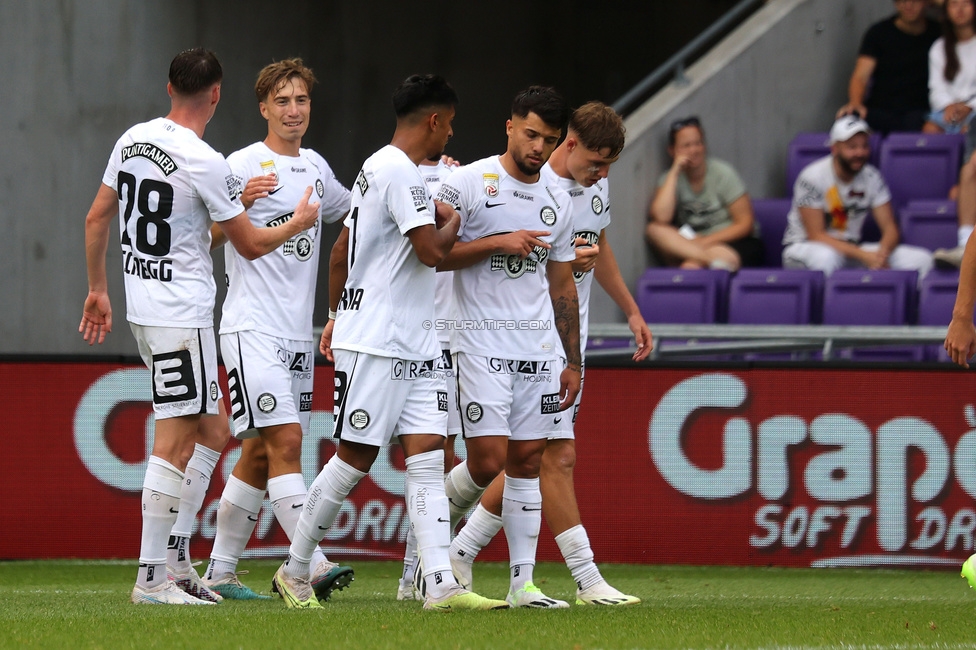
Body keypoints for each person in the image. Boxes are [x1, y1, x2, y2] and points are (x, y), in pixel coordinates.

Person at [80, 48, 320, 605]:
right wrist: (301, 221)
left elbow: (98, 216)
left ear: (169, 88)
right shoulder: (205, 159)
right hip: (180, 317)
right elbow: (253, 244)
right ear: (216, 94)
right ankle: (150, 579)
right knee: (174, 443)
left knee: (214, 431)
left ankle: (180, 563)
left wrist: (97, 290)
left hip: (145, 307)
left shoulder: (132, 139)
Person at [273, 74, 507, 612]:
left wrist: (334, 313)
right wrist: (454, 219)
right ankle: (295, 569)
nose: (450, 134)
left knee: (427, 458)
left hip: (417, 339)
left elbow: (341, 252)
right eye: (448, 124)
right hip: (377, 339)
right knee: (354, 457)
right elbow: (431, 252)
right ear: (433, 120)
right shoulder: (397, 171)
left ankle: (440, 585)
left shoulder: (379, 168)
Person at [446, 101, 652, 606]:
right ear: (570, 144)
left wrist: (628, 309)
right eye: (595, 163)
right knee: (532, 457)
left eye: (608, 168)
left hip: (556, 340)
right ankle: (581, 578)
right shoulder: (515, 185)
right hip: (498, 338)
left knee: (538, 456)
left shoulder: (589, 190)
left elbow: (594, 254)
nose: (601, 175)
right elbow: (458, 253)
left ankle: (469, 555)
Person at [199, 59, 354, 602]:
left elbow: (362, 212)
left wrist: (435, 180)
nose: (293, 111)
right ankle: (308, 565)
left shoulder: (315, 166)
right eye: (282, 102)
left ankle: (218, 572)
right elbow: (207, 237)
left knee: (262, 454)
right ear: (263, 107)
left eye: (301, 101)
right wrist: (239, 205)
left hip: (296, 335)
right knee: (287, 439)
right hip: (250, 328)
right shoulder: (239, 165)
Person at [433, 86, 581, 609]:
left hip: (538, 350)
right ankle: (431, 542)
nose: (539, 147)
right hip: (478, 341)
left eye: (550, 139)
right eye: (532, 134)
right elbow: (434, 255)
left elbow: (561, 283)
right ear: (510, 125)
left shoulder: (558, 199)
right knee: (487, 460)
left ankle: (523, 585)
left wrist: (573, 361)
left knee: (526, 460)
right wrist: (500, 241)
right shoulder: (468, 182)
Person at [396, 154, 460, 601]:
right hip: (395, 337)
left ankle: (413, 576)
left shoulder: (460, 178)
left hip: (448, 336)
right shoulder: (390, 174)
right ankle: (301, 562)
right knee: (353, 456)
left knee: (438, 459)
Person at [781, 115, 933, 279]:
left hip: (851, 250)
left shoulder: (872, 177)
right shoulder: (812, 177)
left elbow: (890, 228)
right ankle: (828, 305)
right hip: (805, 248)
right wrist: (864, 256)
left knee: (921, 259)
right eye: (852, 147)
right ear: (835, 148)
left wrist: (882, 254)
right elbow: (816, 235)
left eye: (864, 146)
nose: (860, 153)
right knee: (826, 257)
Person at [646, 116, 764, 271]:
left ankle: (709, 261)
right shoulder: (669, 179)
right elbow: (661, 217)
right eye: (686, 145)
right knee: (654, 229)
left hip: (732, 241)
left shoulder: (723, 173)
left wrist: (706, 241)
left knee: (691, 267)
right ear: (672, 150)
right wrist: (675, 170)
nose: (694, 150)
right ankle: (711, 261)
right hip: (692, 243)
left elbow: (745, 224)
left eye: (698, 143)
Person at [836, 0, 940, 134]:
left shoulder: (939, 33)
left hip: (921, 111)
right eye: (901, 1)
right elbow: (861, 76)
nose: (908, 6)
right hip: (882, 108)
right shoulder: (878, 33)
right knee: (848, 120)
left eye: (915, 1)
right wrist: (856, 103)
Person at [925, 0, 976, 139]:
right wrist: (948, 106)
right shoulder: (939, 47)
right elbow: (936, 88)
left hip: (974, 109)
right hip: (949, 111)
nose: (960, 9)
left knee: (970, 129)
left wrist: (970, 106)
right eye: (954, 4)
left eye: (965, 3)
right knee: (930, 130)